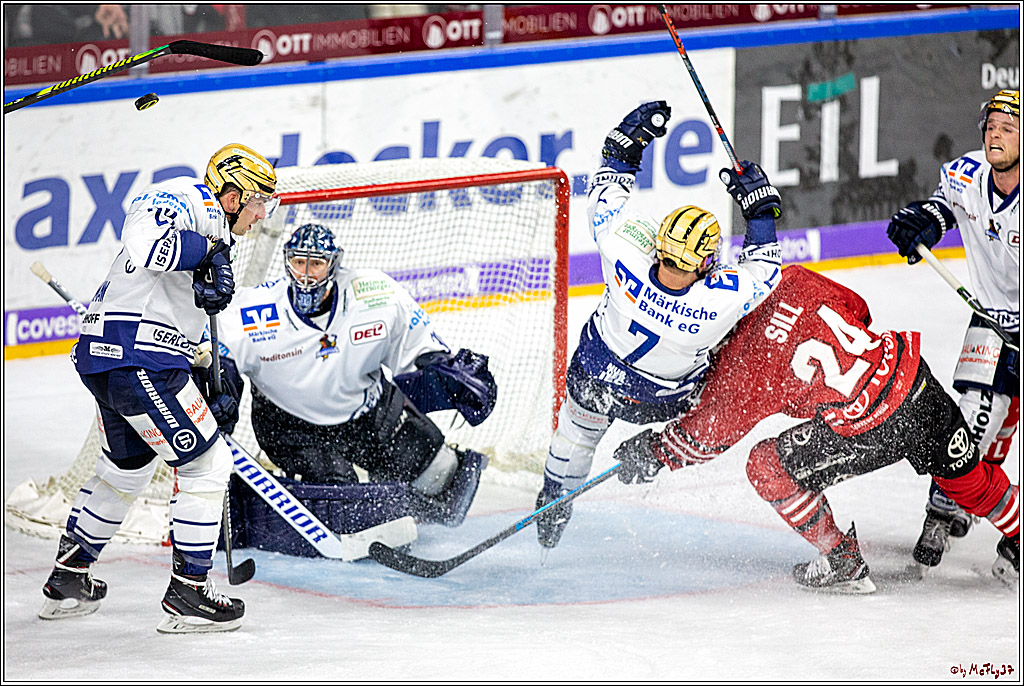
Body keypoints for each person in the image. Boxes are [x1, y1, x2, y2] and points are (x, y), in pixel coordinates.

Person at [612, 265, 1020, 592]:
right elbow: (858, 308)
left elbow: (702, 439)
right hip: (911, 376)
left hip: (871, 424)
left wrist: (652, 452)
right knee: (967, 480)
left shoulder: (739, 370)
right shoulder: (789, 279)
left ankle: (840, 558)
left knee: (765, 466)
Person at [39, 144, 278, 633]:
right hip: (139, 359)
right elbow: (148, 244)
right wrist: (210, 252)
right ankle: (189, 593)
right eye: (258, 202)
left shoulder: (215, 228)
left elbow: (168, 299)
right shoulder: (191, 197)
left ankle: (68, 578)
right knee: (208, 464)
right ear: (232, 195)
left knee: (125, 470)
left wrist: (202, 363)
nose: (261, 216)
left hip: (118, 361)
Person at [535, 101, 783, 549]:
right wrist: (760, 212)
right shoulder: (716, 301)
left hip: (596, 376)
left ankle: (552, 503)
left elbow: (609, 181)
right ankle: (661, 451)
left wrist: (628, 140)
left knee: (575, 435)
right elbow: (765, 268)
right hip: (660, 404)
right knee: (740, 344)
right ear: (706, 261)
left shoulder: (622, 248)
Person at [209, 223, 497, 547]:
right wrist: (220, 387)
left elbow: (419, 348)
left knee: (443, 475)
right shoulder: (255, 309)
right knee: (345, 499)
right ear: (287, 262)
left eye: (316, 263)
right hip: (290, 426)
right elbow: (217, 349)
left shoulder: (376, 296)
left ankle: (407, 514)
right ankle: (373, 520)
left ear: (334, 265)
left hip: (368, 410)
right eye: (298, 262)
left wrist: (446, 372)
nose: (305, 274)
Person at [886, 89, 1020, 570]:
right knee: (974, 420)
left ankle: (975, 500)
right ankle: (942, 511)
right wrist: (922, 221)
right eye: (990, 127)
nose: (995, 137)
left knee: (1003, 426)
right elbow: (945, 207)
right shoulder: (967, 174)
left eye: (1008, 129)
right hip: (989, 319)